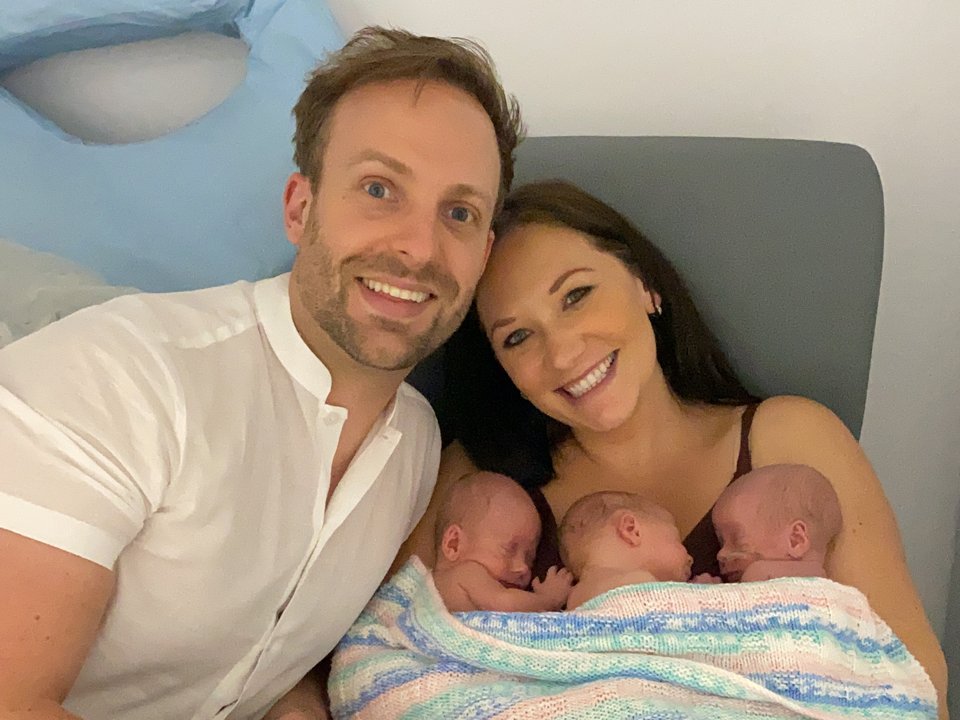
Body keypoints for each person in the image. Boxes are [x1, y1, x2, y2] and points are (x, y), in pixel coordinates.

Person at [0, 27, 522, 720]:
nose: (419, 247)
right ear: (300, 210)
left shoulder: (417, 453)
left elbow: (281, 665)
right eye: (379, 188)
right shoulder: (123, 377)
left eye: (458, 212)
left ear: (483, 255)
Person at [398, 180, 949, 717]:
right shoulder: (479, 479)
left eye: (576, 295)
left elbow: (911, 684)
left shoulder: (790, 439)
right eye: (517, 336)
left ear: (644, 286)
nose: (563, 354)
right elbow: (390, 655)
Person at [431, 471, 572, 612]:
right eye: (508, 550)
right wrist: (549, 599)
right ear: (454, 544)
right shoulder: (466, 573)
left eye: (530, 559)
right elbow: (505, 603)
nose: (523, 567)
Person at [558, 491, 696, 610]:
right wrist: (705, 591)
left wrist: (546, 598)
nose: (690, 558)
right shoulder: (641, 581)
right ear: (631, 529)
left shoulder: (574, 597)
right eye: (677, 539)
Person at [712, 463, 842, 583]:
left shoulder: (757, 577)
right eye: (721, 543)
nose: (721, 554)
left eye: (739, 543)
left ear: (796, 540)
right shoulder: (840, 593)